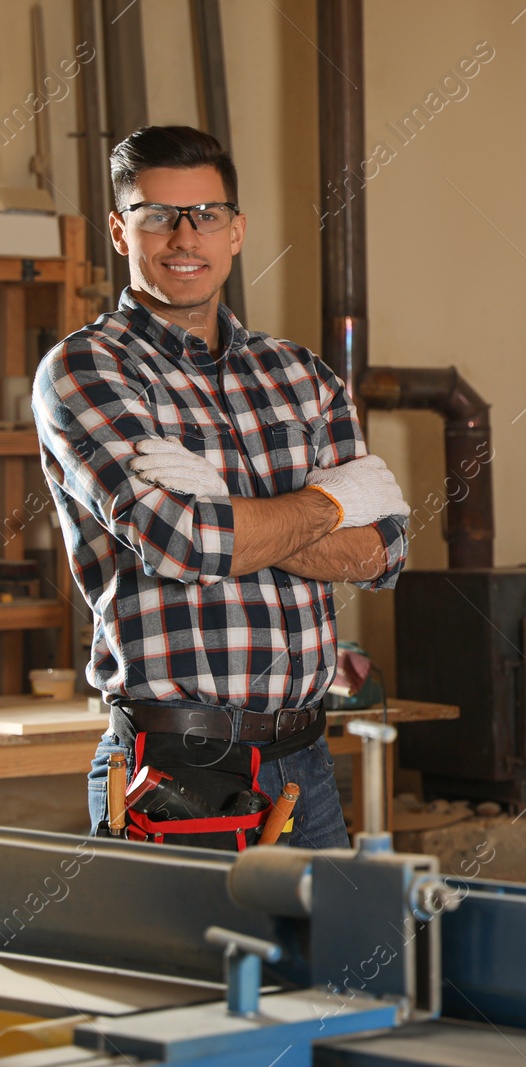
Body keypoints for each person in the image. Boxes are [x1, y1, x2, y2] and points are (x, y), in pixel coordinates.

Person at [33, 126, 409, 850]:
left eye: (206, 214)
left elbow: (383, 552)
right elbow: (187, 542)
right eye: (156, 215)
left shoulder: (301, 375)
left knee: (330, 969)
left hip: (304, 768)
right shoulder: (85, 369)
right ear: (120, 229)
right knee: (199, 969)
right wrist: (336, 500)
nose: (185, 236)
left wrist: (227, 505)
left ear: (236, 232)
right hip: (176, 769)